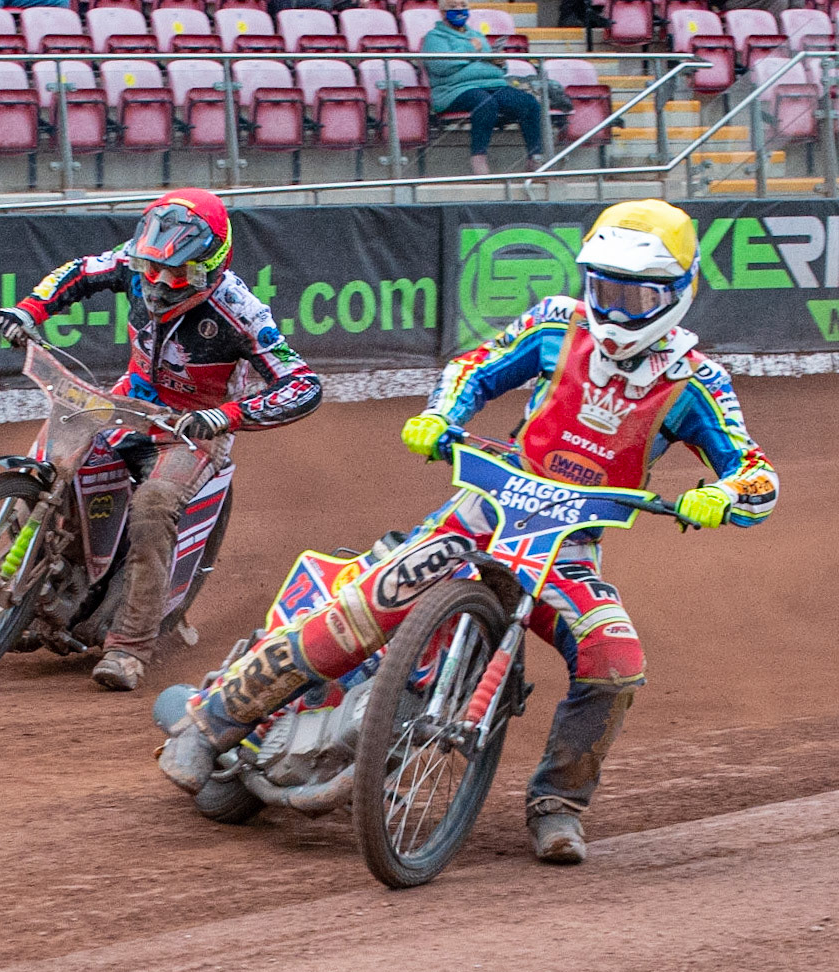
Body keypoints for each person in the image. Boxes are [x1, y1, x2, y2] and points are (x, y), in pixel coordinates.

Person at [159, 200, 779, 864]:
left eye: (636, 293)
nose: (616, 306)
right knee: (366, 602)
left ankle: (557, 805)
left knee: (616, 663)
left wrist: (724, 497)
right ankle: (213, 719)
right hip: (486, 509)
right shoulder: (555, 323)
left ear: (677, 293)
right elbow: (473, 366)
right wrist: (441, 414)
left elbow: (755, 471)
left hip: (567, 546)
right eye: (605, 286)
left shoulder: (696, 381)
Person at [0, 189, 322, 692]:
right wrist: (29, 312)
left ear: (210, 267)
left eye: (177, 274)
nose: (160, 283)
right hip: (126, 403)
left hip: (190, 430)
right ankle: (10, 594)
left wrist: (225, 416)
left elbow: (302, 384)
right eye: (153, 270)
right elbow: (80, 271)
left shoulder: (241, 311)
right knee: (48, 466)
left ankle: (129, 647)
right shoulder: (137, 263)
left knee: (152, 506)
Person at [424, 0, 544, 175]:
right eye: (453, 7)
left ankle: (535, 158)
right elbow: (441, 65)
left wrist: (499, 62)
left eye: (463, 6)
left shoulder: (477, 35)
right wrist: (470, 49)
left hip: (492, 83)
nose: (459, 10)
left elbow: (495, 66)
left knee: (528, 102)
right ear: (442, 12)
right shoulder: (434, 38)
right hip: (455, 88)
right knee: (485, 103)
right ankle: (478, 159)